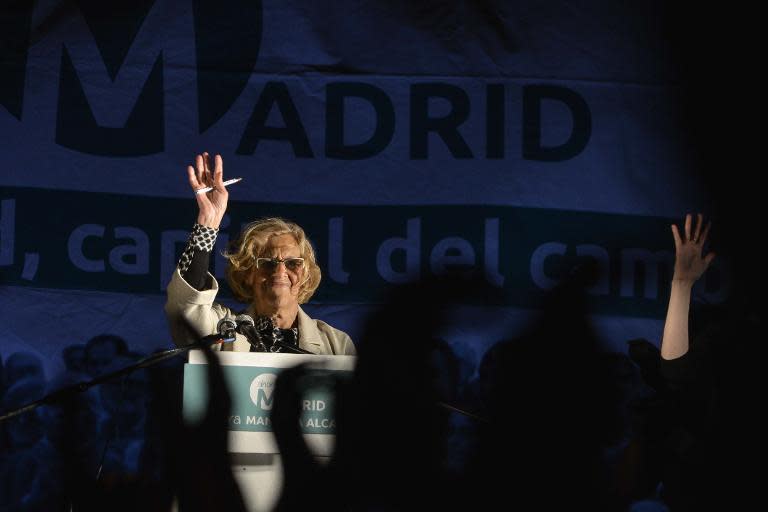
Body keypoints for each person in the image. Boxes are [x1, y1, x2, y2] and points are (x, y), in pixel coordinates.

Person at [165, 152, 355, 355]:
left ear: (305, 275)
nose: (280, 270)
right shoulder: (224, 329)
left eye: (292, 263)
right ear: (247, 274)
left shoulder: (336, 345)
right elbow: (186, 312)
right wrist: (208, 224)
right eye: (268, 263)